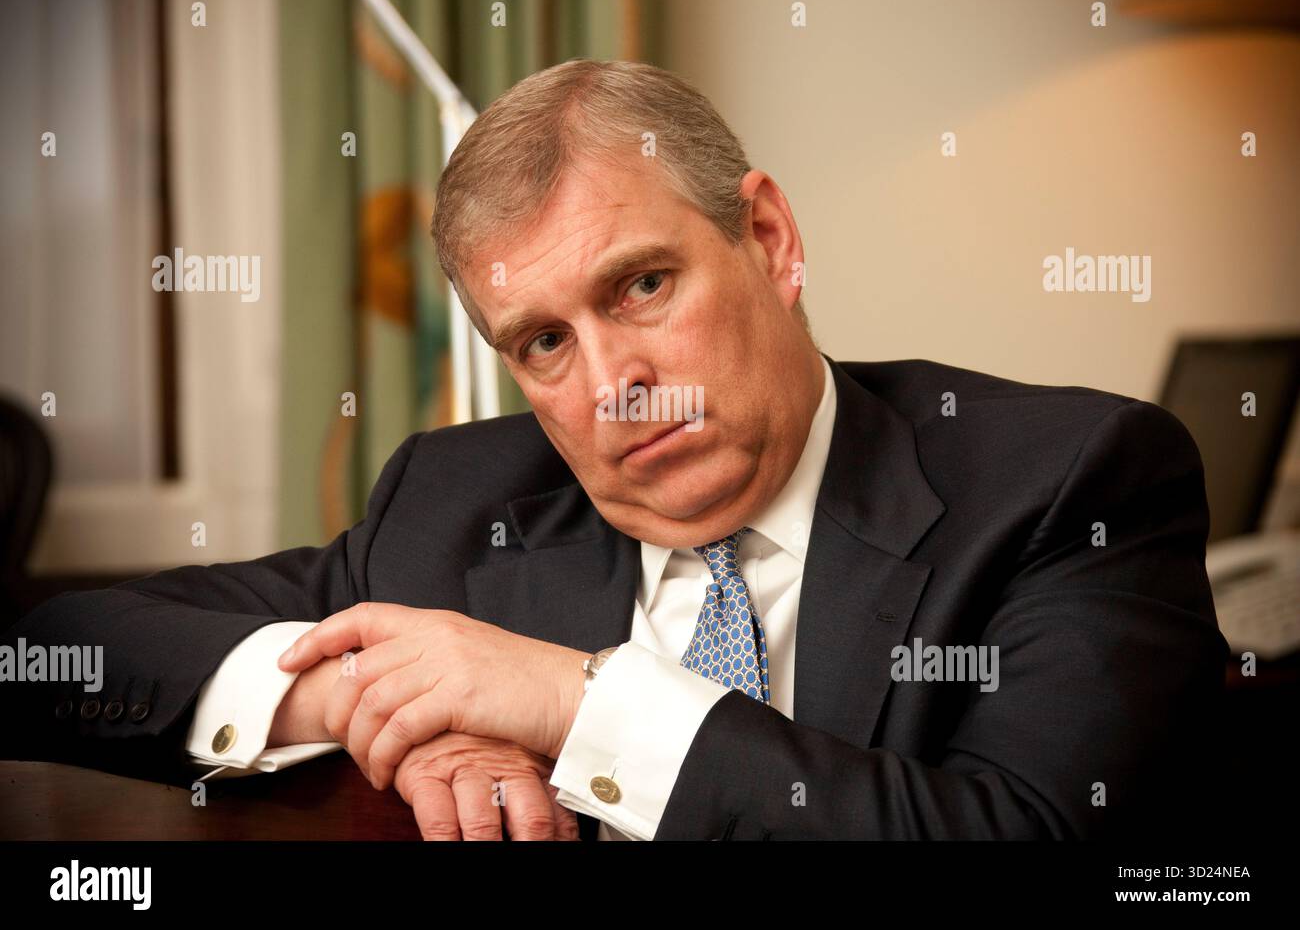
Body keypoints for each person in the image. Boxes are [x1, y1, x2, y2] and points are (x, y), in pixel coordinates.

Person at [1, 59, 1227, 841]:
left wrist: (562, 699)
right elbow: (45, 653)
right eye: (540, 342)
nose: (610, 388)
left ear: (767, 236)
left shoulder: (1068, 480)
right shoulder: (460, 498)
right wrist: (365, 695)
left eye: (641, 285)